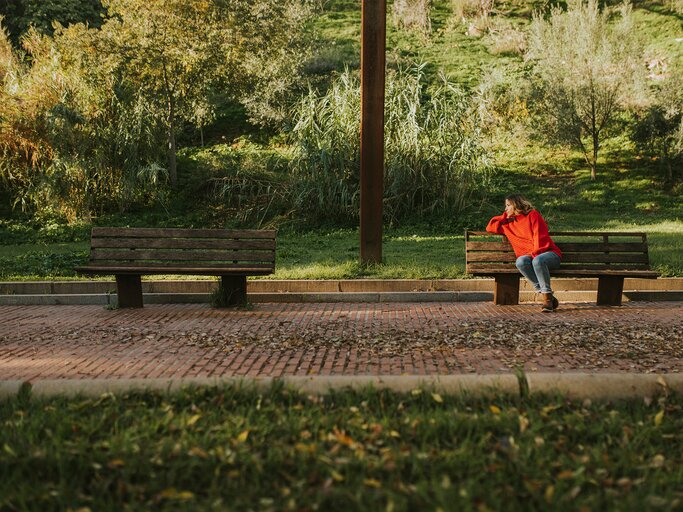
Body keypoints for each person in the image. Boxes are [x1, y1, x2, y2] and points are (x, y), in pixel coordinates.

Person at [486, 194, 562, 312]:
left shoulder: (533, 215)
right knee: (520, 261)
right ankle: (547, 295)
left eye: (508, 205)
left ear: (516, 205)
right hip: (532, 258)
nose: (505, 209)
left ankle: (547, 299)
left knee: (538, 260)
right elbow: (490, 227)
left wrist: (534, 254)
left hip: (549, 254)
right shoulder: (508, 223)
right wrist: (504, 216)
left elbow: (539, 237)